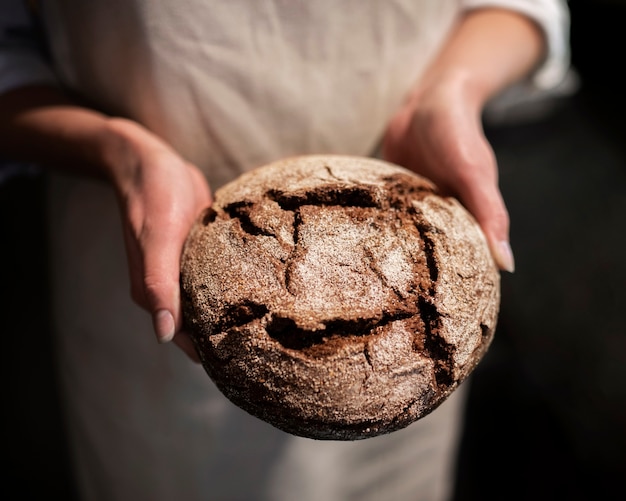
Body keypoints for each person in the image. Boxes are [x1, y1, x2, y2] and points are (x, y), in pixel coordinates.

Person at [0, 1, 570, 500]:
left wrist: (453, 89)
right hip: (142, 253)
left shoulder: (431, 334)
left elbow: (526, 7)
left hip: (414, 266)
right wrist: (120, 153)